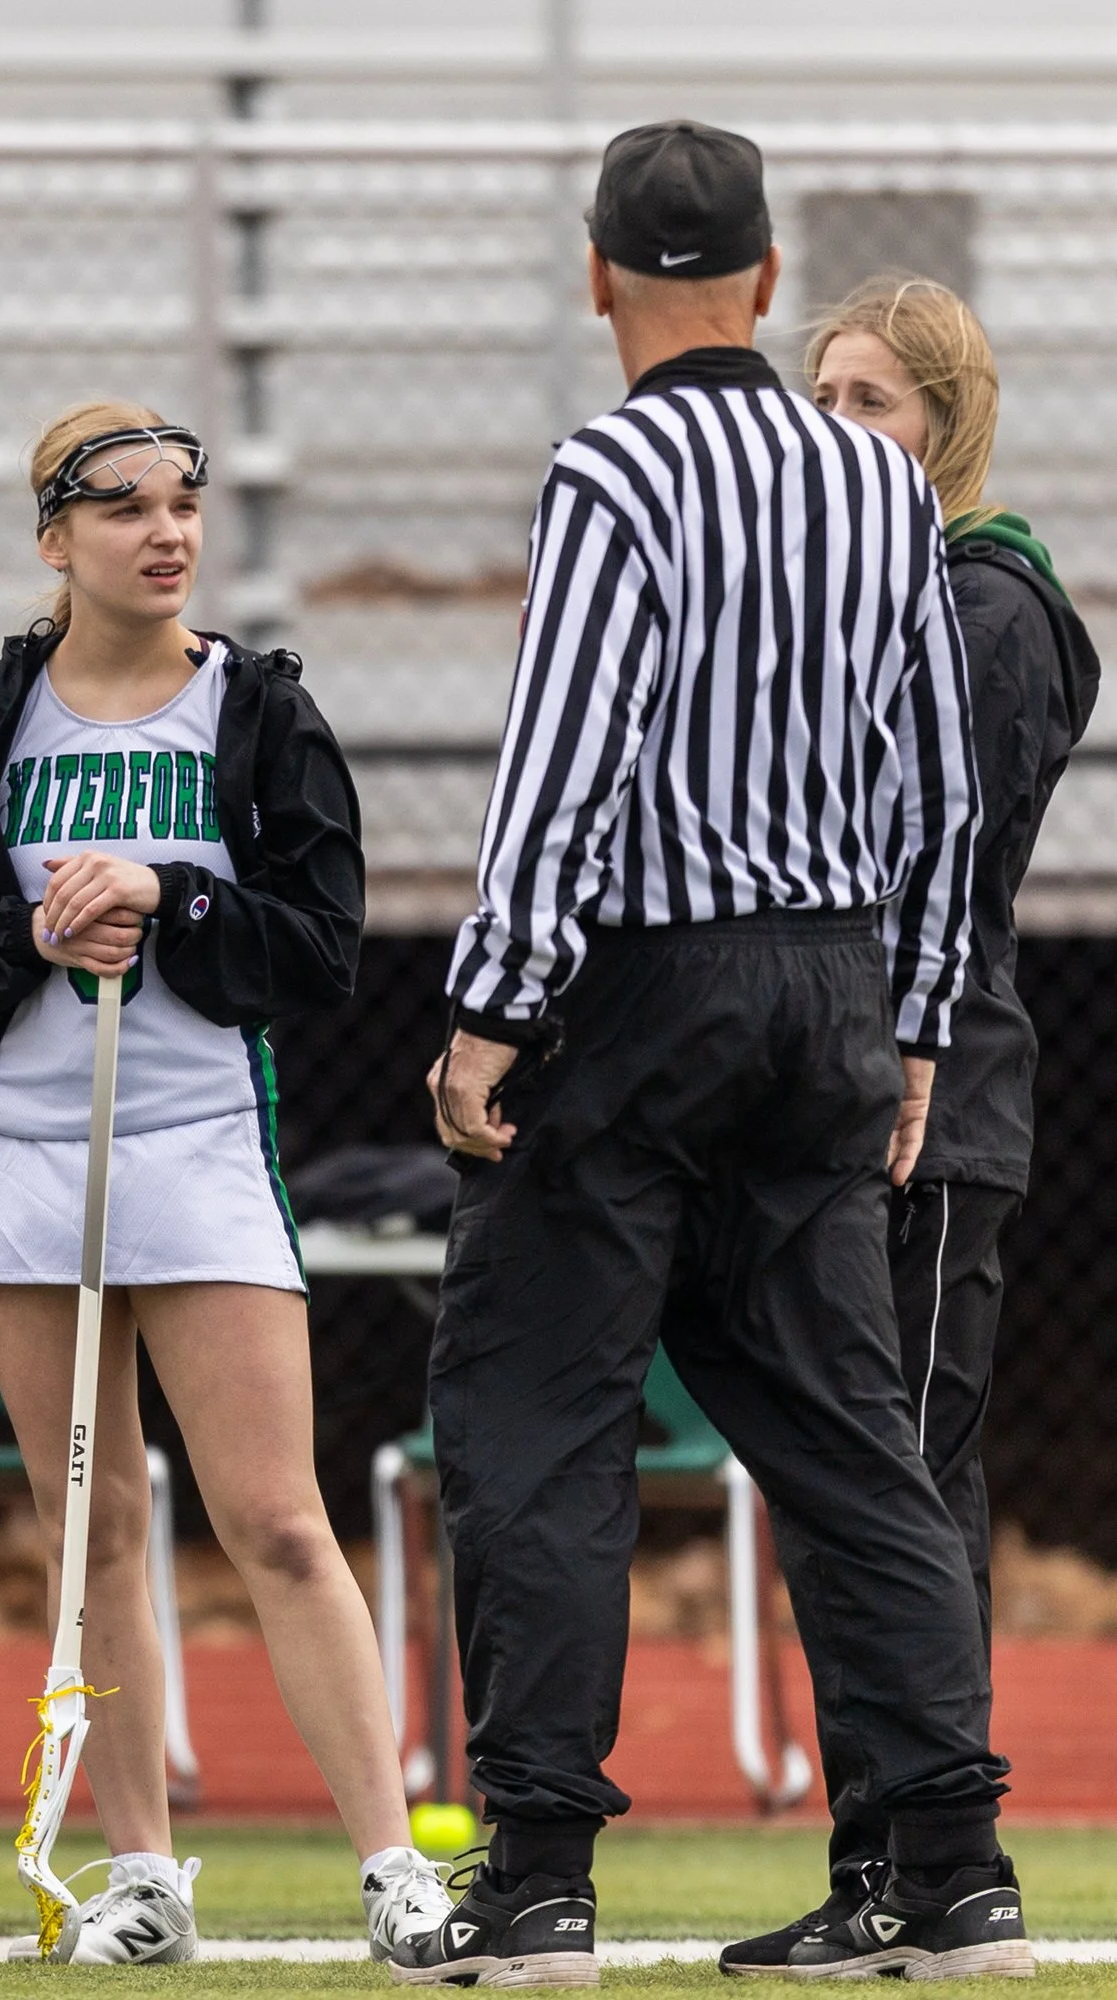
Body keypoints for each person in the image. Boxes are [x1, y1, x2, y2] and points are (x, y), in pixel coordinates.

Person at [406, 123, 1028, 1985]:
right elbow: (936, 781)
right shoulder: (876, 482)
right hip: (831, 983)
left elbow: (569, 751)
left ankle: (538, 1875)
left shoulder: (612, 470)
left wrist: (493, 1006)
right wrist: (915, 1020)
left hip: (644, 988)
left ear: (597, 274)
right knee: (851, 1439)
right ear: (765, 280)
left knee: (539, 1417)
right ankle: (953, 1865)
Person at [0, 401, 452, 1967]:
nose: (166, 530)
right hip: (24, 1158)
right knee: (95, 1527)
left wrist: (174, 895)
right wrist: (30, 934)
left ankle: (394, 1867)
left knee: (277, 1517)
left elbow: (321, 946)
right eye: (123, 506)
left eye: (183, 500)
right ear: (56, 539)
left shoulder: (256, 713)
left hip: (196, 1145)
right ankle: (142, 1876)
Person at [715, 276, 1100, 1973]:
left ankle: (945, 1864)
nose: (836, 427)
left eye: (871, 399)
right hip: (842, 1082)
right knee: (851, 1485)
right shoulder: (868, 591)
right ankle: (882, 1866)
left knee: (906, 1482)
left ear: (948, 424)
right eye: (821, 397)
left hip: (928, 1098)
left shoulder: (987, 600)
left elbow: (936, 852)